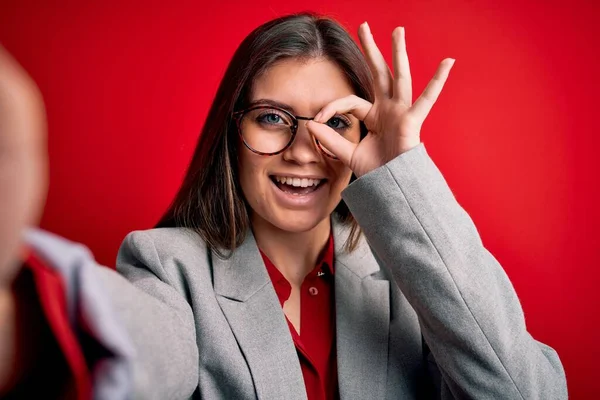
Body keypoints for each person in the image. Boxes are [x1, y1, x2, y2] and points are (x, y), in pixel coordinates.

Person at [0, 12, 567, 400]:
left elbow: (520, 389)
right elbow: (142, 347)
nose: (303, 151)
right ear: (233, 131)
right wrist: (23, 319)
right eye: (273, 117)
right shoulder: (169, 266)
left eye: (335, 123)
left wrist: (403, 174)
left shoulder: (413, 279)